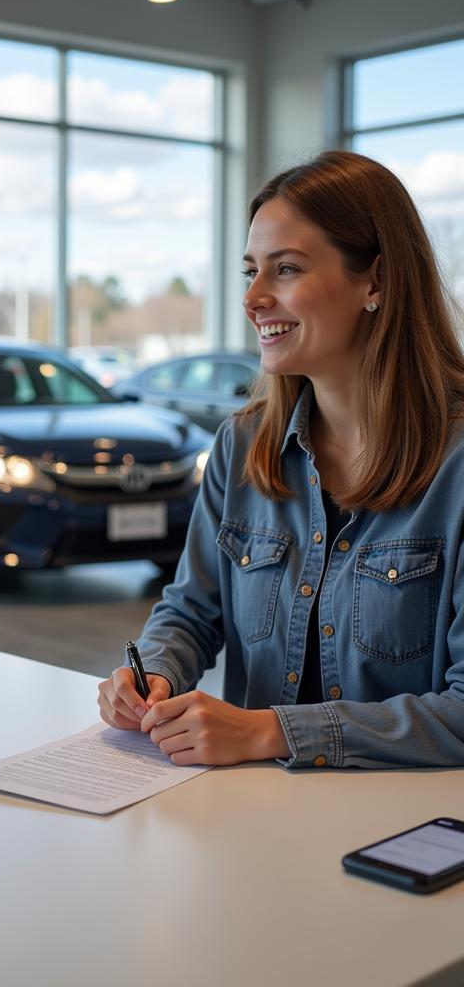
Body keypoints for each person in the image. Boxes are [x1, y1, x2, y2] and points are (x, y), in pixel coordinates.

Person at [98, 150, 464, 769]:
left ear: (375, 281)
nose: (254, 299)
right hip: (258, 819)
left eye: (286, 269)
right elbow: (191, 610)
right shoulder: (242, 445)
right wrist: (153, 672)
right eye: (251, 273)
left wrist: (274, 733)